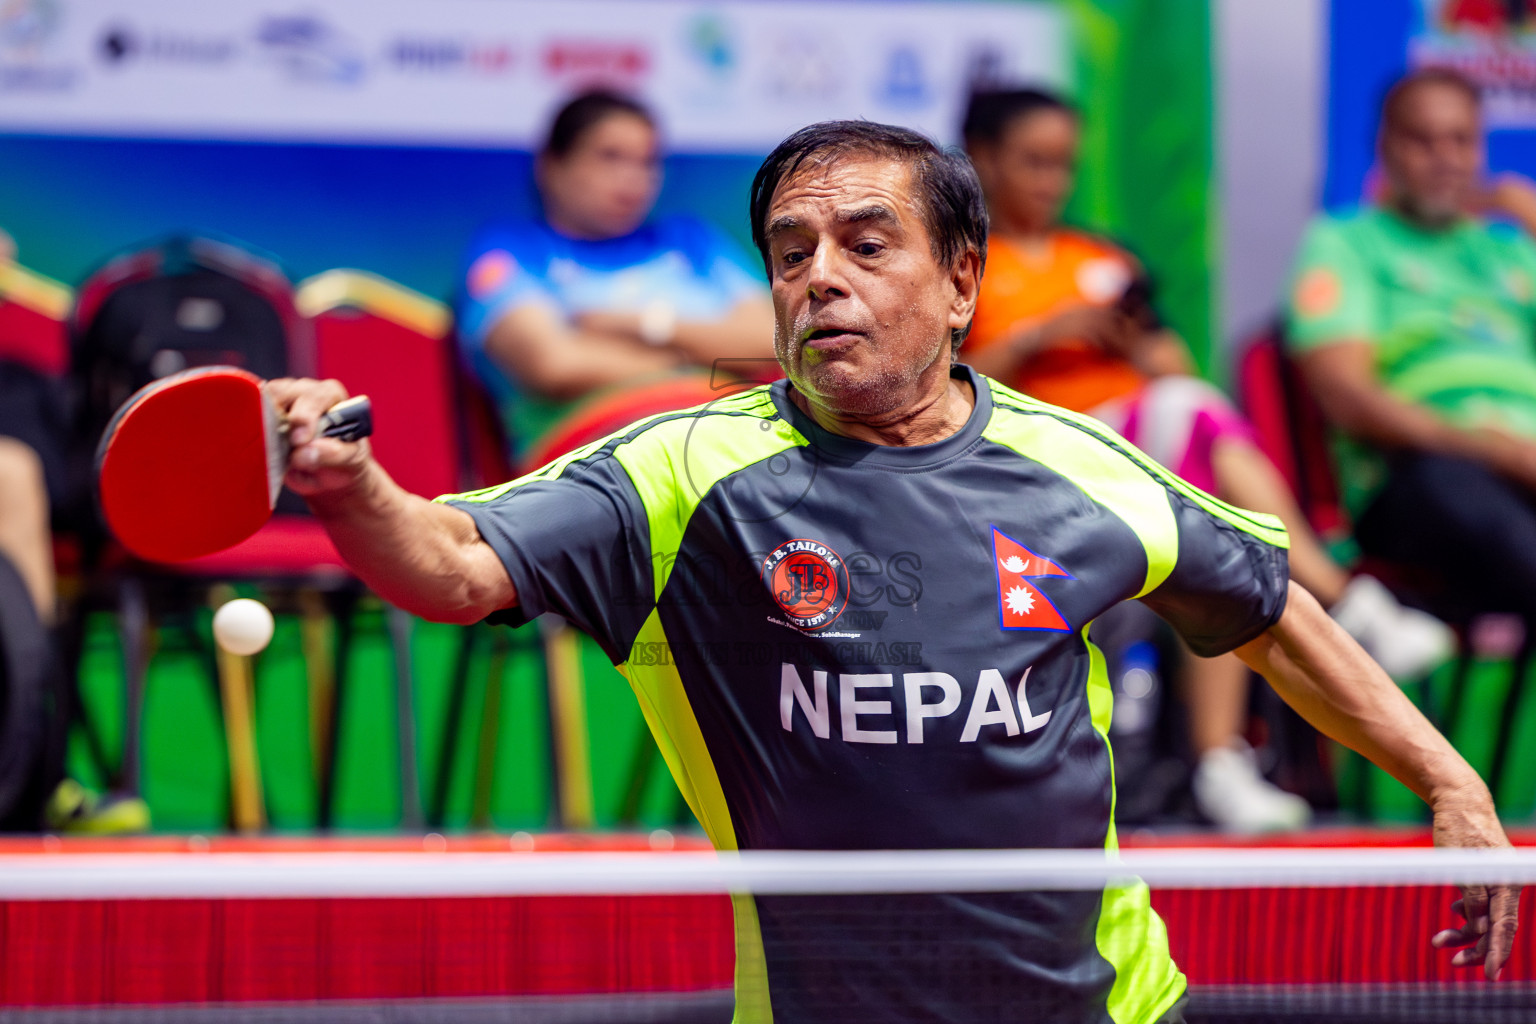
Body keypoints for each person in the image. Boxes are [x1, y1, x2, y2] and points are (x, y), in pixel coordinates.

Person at [271, 121, 1516, 1024]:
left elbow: (1268, 610)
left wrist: (1451, 786)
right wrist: (349, 485)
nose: (822, 275)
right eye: (792, 250)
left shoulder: (1079, 466)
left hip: (1113, 1008)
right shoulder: (682, 475)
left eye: (869, 244)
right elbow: (450, 565)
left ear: (961, 280)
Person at [960, 87, 1455, 833]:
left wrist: (1130, 344)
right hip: (1034, 461)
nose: (1051, 182)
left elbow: (1174, 362)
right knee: (1193, 425)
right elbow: (943, 390)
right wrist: (1041, 334)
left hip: (1138, 452)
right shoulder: (962, 265)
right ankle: (1339, 604)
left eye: (1064, 165)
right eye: (1033, 162)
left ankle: (1224, 758)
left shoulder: (1101, 256)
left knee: (1199, 470)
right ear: (982, 158)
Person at [1289, 67, 1536, 629]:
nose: (1444, 157)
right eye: (1422, 140)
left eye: (1461, 140)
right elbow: (1346, 395)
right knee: (1452, 480)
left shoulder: (1509, 251)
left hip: (1526, 471)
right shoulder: (1347, 242)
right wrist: (1494, 450)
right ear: (1385, 148)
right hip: (1417, 479)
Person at [458, 88, 776, 457]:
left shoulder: (692, 241)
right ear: (552, 167)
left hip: (726, 447)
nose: (632, 178)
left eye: (647, 162)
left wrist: (640, 325)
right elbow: (554, 365)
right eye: (610, 157)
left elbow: (770, 344)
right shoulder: (510, 251)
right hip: (585, 463)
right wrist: (707, 362)